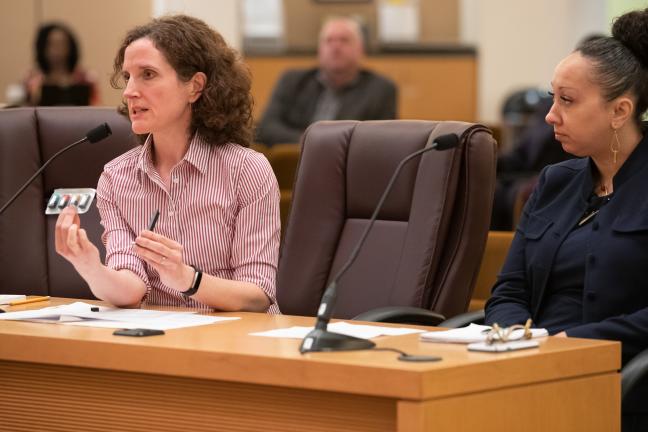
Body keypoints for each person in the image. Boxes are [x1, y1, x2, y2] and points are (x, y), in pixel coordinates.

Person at [484, 8, 648, 430]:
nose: (550, 115)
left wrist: (573, 344)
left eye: (567, 101)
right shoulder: (554, 181)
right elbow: (508, 290)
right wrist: (515, 339)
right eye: (553, 97)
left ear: (620, 110)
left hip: (624, 383)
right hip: (528, 370)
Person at [54, 15, 281, 313]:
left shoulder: (248, 170)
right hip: (160, 341)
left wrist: (188, 279)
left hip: (239, 342)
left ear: (195, 87)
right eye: (127, 77)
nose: (129, 91)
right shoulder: (115, 177)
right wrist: (89, 266)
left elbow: (258, 294)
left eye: (147, 74)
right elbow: (131, 287)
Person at [256, 17, 397, 146]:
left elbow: (382, 141)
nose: (335, 47)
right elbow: (267, 127)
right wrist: (308, 141)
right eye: (329, 40)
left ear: (360, 49)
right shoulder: (293, 81)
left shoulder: (381, 90)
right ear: (319, 49)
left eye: (344, 40)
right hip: (295, 164)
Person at [24, 22, 100, 106]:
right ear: (43, 47)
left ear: (70, 47)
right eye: (51, 44)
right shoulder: (32, 80)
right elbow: (24, 110)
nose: (57, 49)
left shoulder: (86, 78)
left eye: (61, 44)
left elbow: (96, 107)